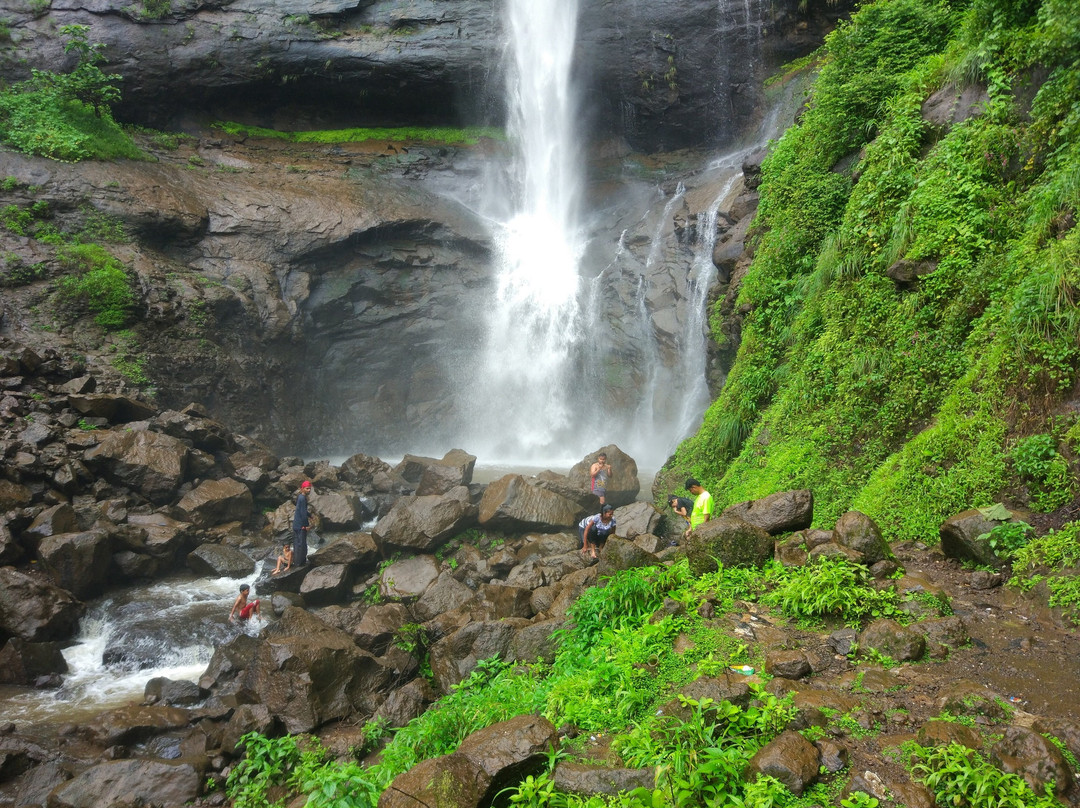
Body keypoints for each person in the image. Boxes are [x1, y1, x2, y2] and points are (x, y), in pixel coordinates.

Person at [293, 480, 312, 566]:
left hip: (296, 524)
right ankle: (300, 563)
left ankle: (296, 561)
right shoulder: (303, 498)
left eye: (310, 488)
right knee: (302, 544)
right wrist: (306, 525)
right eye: (307, 488)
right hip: (301, 525)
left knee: (297, 543)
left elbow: (301, 509)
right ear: (302, 489)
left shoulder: (300, 497)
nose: (309, 490)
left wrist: (310, 515)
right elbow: (303, 513)